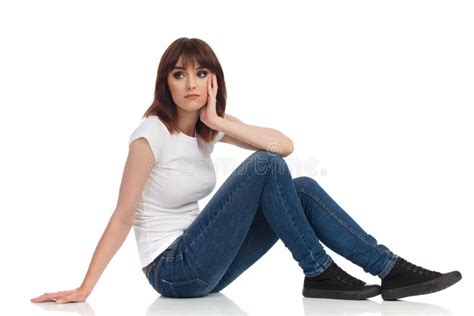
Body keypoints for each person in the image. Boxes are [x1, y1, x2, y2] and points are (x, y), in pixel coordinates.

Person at [31, 37, 462, 304]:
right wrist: (85, 288)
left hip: (208, 268)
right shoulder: (150, 135)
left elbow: (286, 146)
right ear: (166, 82)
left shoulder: (205, 131)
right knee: (263, 167)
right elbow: (123, 215)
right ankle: (318, 272)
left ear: (214, 80)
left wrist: (218, 122)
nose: (191, 84)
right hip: (173, 270)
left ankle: (390, 269)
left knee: (303, 186)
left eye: (202, 73)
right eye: (180, 74)